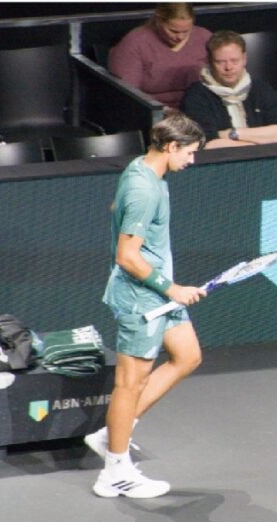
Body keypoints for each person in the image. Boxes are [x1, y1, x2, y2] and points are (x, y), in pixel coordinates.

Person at [87, 112, 206, 499]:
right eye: (189, 153)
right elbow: (127, 256)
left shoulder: (143, 170)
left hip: (155, 294)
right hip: (143, 298)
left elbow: (116, 213)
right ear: (172, 146)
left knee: (187, 356)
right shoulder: (145, 190)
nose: (192, 160)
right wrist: (172, 288)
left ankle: (111, 435)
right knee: (129, 383)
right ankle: (115, 472)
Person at [180, 30, 277, 149]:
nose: (228, 67)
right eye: (220, 62)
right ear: (209, 61)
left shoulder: (261, 89)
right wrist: (263, 142)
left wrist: (230, 134)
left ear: (244, 59)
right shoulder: (196, 96)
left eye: (234, 61)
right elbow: (208, 144)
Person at [108, 3, 212, 110]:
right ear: (159, 21)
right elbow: (129, 96)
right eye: (173, 31)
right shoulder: (134, 43)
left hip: (201, 108)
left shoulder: (204, 37)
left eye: (186, 31)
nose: (180, 37)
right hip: (155, 112)